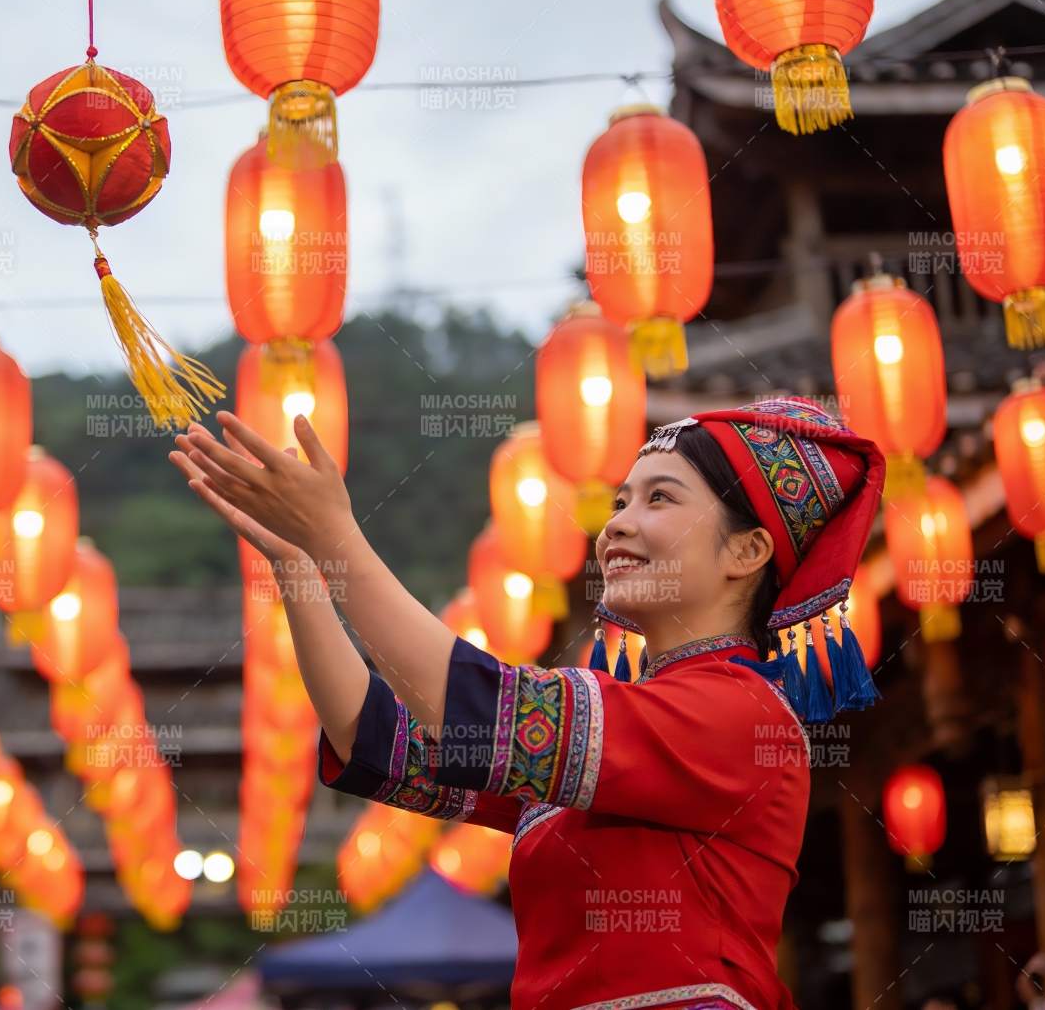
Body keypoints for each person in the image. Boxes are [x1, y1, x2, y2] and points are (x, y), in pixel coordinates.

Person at [169, 396, 885, 1010]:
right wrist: (301, 563)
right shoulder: (630, 724)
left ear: (747, 552)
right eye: (620, 502)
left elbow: (477, 711)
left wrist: (336, 539)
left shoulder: (741, 714)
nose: (616, 525)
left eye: (660, 498)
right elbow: (377, 740)